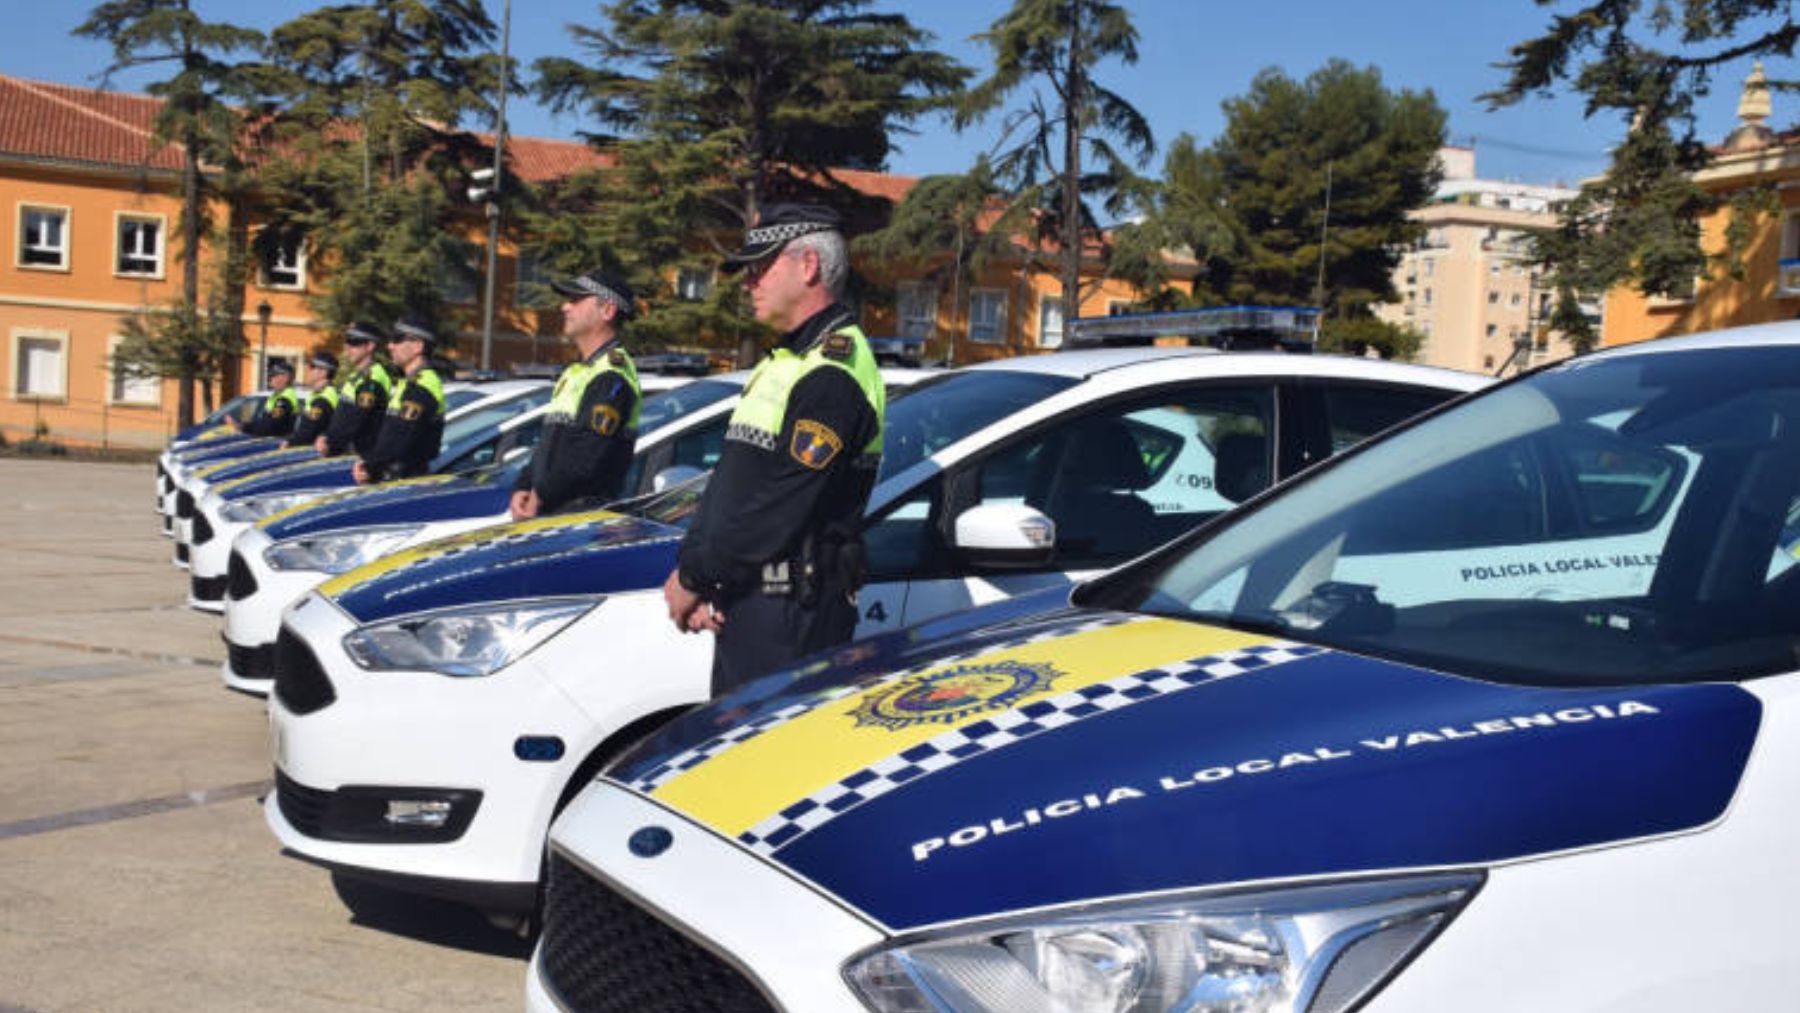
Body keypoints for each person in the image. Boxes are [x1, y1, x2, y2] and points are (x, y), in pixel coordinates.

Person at [661, 204, 886, 696]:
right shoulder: (790, 360)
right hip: (754, 601)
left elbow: (778, 508)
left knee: (767, 762)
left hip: (791, 612)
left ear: (808, 266)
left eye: (760, 268)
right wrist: (695, 569)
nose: (747, 283)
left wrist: (696, 576)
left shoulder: (833, 372)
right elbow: (732, 485)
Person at [510, 269, 643, 520]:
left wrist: (540, 495)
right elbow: (549, 445)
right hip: (551, 511)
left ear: (608, 311)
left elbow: (585, 459)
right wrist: (524, 485)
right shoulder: (578, 372)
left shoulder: (611, 376)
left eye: (576, 300)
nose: (564, 307)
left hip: (580, 517)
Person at [352, 318, 445, 484]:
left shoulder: (422, 386)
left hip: (408, 481)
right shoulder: (409, 383)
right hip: (396, 478)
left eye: (397, 339)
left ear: (418, 346)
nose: (390, 346)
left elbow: (399, 438)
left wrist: (370, 466)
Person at [317, 322, 394, 459]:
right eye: (347, 341)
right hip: (347, 453)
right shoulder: (355, 377)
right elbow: (342, 417)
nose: (347, 347)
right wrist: (326, 435)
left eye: (354, 342)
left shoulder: (373, 378)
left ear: (370, 346)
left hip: (361, 456)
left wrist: (330, 442)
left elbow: (356, 419)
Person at [285, 352, 340, 448]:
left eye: (312, 367)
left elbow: (310, 430)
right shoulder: (319, 393)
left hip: (313, 452)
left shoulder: (323, 398)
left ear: (323, 372)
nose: (308, 370)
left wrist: (290, 443)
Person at [233, 360, 301, 438]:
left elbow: (270, 426)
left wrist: (243, 427)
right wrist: (245, 425)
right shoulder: (276, 396)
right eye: (269, 376)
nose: (270, 379)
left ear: (285, 378)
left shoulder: (285, 400)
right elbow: (263, 421)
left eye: (274, 375)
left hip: (277, 443)